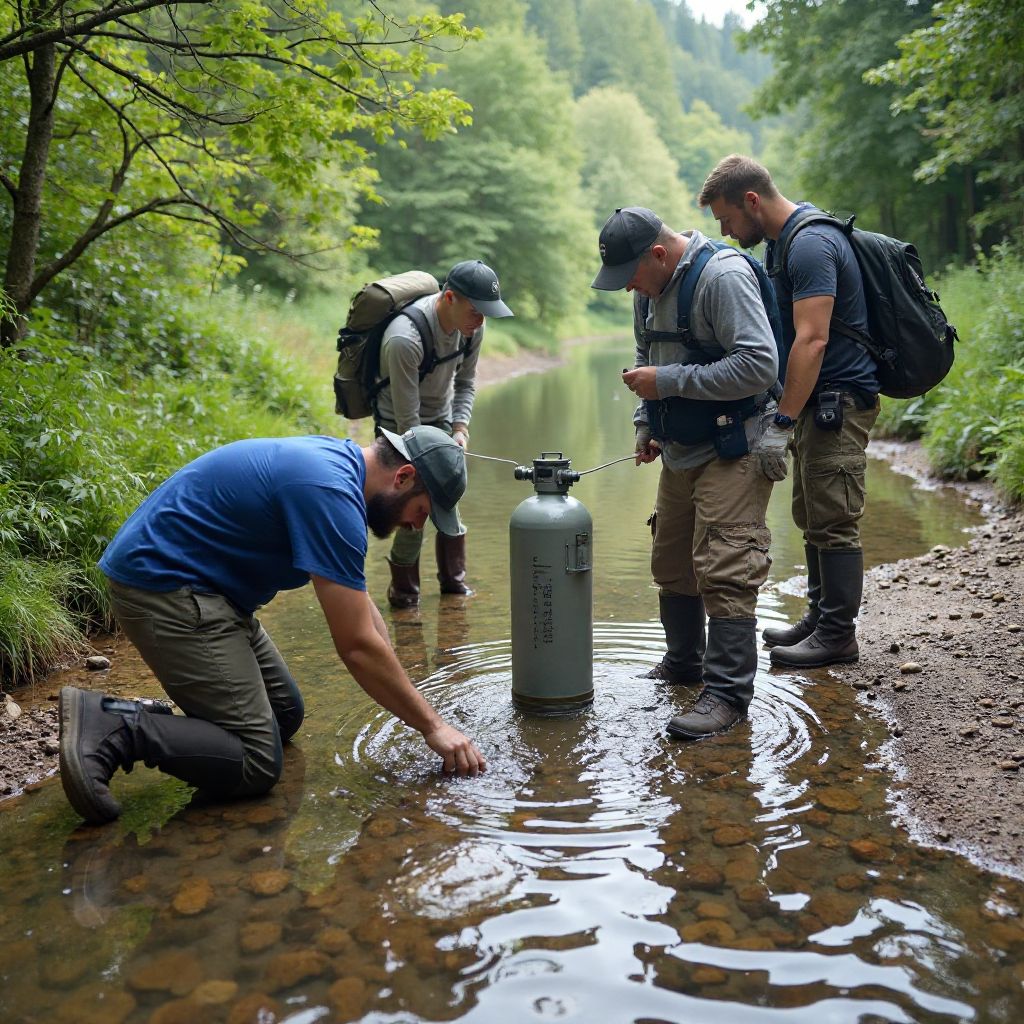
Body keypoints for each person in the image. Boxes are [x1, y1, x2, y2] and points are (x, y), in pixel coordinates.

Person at [59, 426, 487, 826]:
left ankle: (162, 720)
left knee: (283, 715)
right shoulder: (329, 494)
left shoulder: (340, 469)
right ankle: (113, 723)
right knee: (255, 762)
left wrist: (403, 686)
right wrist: (433, 726)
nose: (415, 524)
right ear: (405, 476)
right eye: (422, 511)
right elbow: (356, 645)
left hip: (216, 595)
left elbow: (361, 608)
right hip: (166, 588)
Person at [592, 207, 779, 739]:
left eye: (631, 275)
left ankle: (726, 697)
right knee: (671, 560)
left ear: (659, 253)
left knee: (726, 565)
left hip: (734, 443)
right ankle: (683, 664)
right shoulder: (645, 292)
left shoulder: (723, 277)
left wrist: (668, 382)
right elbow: (642, 356)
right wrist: (645, 421)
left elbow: (760, 365)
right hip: (677, 447)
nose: (628, 287)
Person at [698, 155, 880, 668]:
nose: (727, 232)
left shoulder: (810, 245)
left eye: (726, 219)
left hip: (837, 401)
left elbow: (813, 339)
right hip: (815, 403)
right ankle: (820, 619)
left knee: (835, 519)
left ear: (751, 201)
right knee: (813, 514)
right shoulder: (784, 242)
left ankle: (838, 636)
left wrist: (780, 420)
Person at [374, 259, 513, 608]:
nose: (481, 320)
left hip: (442, 418)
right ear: (449, 298)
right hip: (398, 425)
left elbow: (466, 383)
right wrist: (432, 455)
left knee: (448, 493)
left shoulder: (472, 329)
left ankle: (453, 587)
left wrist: (460, 428)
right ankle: (404, 595)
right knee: (416, 504)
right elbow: (408, 423)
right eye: (476, 310)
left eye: (486, 313)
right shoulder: (404, 340)